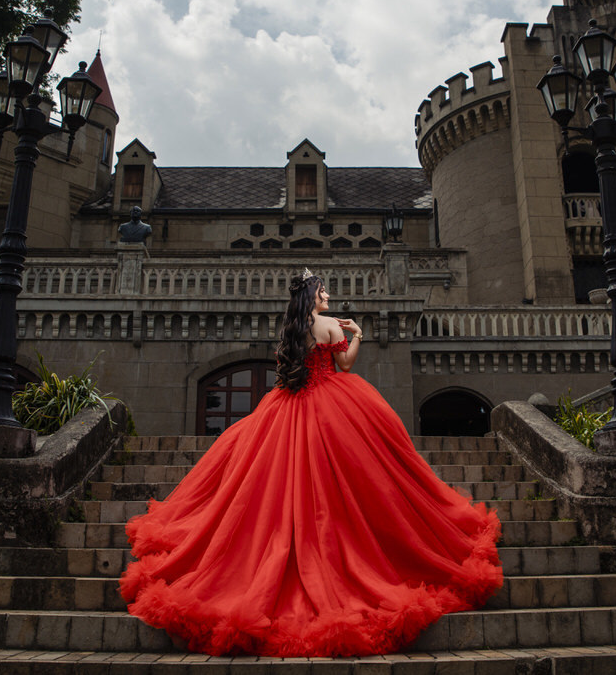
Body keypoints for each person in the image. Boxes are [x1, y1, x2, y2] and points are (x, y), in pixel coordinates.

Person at [119, 270, 502, 657]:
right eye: (324, 290)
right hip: (329, 405)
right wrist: (358, 336)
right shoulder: (329, 325)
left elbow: (291, 370)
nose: (328, 294)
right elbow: (346, 366)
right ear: (313, 296)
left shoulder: (293, 327)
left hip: (286, 404)